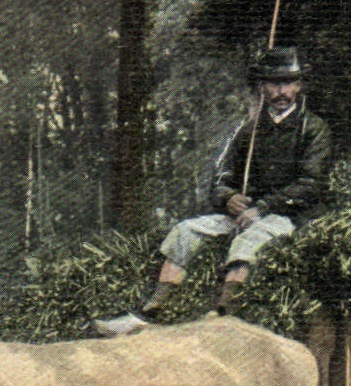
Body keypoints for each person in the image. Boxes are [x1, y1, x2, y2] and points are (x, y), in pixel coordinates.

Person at [94, 46, 333, 336]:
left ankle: (220, 314)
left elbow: (311, 183)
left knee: (250, 239)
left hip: (288, 215)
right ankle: (148, 312)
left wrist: (264, 207)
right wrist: (229, 197)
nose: (280, 91)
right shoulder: (249, 130)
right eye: (273, 83)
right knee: (185, 232)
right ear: (262, 87)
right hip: (246, 211)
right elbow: (221, 175)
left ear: (298, 86)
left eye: (287, 83)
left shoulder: (313, 128)